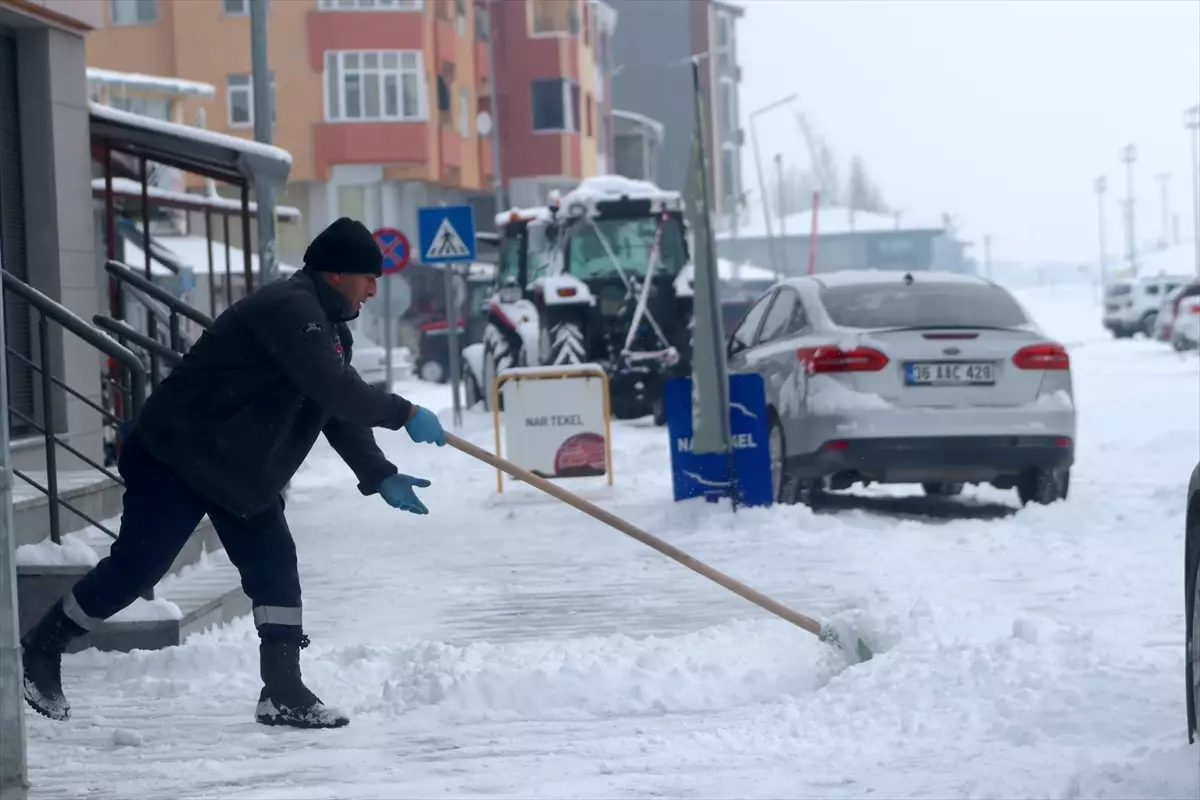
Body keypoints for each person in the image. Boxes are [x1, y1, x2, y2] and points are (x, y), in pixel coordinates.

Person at [19, 217, 446, 730]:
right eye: (368, 278)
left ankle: (282, 690)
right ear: (335, 274)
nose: (375, 290)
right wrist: (404, 413)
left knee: (275, 570)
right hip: (177, 456)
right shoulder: (291, 310)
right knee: (137, 569)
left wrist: (379, 473)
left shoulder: (328, 329)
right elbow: (336, 390)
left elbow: (331, 407)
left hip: (240, 470)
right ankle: (40, 649)